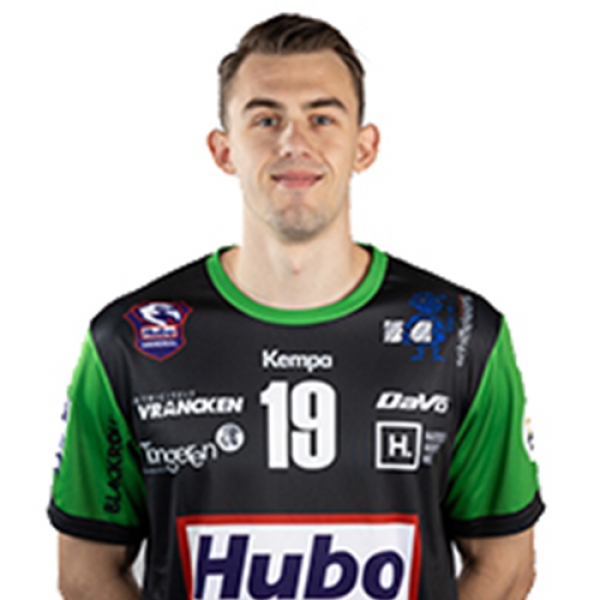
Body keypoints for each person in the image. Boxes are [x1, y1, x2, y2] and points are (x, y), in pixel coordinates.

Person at [49, 13, 544, 600]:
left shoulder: (460, 333)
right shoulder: (129, 340)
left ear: (365, 146)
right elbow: (87, 574)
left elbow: (505, 567)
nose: (294, 143)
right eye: (266, 119)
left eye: (322, 117)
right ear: (223, 150)